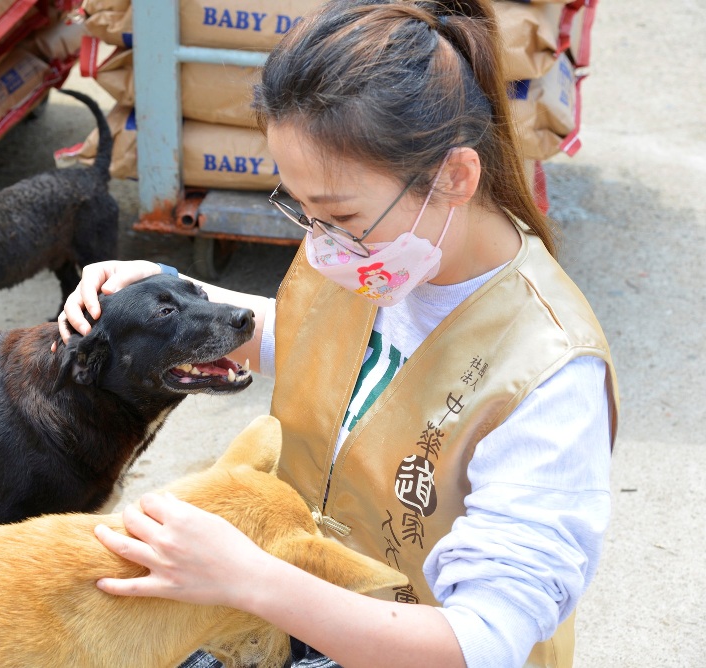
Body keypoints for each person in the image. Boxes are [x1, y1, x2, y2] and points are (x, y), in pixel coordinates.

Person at [57, 1, 619, 666]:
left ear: (456, 176)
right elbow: (313, 351)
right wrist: (167, 294)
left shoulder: (549, 376)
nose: (319, 245)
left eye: (338, 214)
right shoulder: (373, 250)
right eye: (302, 209)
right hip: (306, 609)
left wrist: (249, 579)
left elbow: (482, 641)